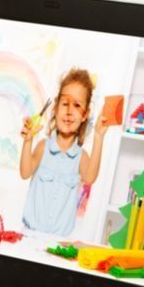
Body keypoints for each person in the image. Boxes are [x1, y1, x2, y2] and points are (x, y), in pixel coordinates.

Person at [18, 68, 114, 236]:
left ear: (85, 115)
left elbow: (90, 177)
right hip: (29, 234)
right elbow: (25, 173)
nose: (69, 111)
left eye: (77, 105)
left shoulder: (81, 157)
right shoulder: (43, 147)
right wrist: (28, 141)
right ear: (55, 108)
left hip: (58, 241)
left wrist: (99, 137)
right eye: (64, 104)